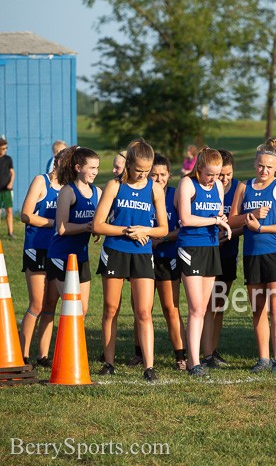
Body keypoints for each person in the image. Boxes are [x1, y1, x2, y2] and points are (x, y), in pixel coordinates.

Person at [93, 139, 168, 382]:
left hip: (142, 254)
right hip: (116, 250)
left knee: (144, 311)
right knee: (111, 309)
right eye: (139, 170)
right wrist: (127, 230)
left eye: (147, 171)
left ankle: (149, 367)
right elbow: (98, 224)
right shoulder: (114, 186)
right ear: (128, 164)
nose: (144, 175)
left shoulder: (155, 189)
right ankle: (109, 363)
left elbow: (164, 229)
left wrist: (146, 231)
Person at [234, 139, 276, 373]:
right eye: (261, 166)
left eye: (269, 167)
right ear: (254, 163)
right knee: (257, 308)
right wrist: (252, 214)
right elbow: (232, 220)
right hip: (252, 253)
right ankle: (263, 358)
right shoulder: (244, 187)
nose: (264, 171)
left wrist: (262, 227)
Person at [176, 148, 232, 376]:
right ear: (199, 169)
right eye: (210, 174)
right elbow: (185, 219)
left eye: (217, 174)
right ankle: (193, 361)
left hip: (211, 248)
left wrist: (222, 222)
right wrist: (214, 219)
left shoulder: (218, 186)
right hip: (190, 247)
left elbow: (217, 215)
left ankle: (196, 360)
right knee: (196, 308)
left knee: (204, 307)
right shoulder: (187, 184)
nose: (215, 179)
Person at [18, 150, 65, 367]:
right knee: (36, 304)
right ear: (57, 163)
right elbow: (26, 214)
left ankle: (43, 356)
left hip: (58, 250)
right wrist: (54, 224)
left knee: (50, 305)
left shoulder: (69, 189)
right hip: (36, 247)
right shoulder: (41, 181)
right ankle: (22, 354)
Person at [45, 146, 101, 318]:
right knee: (72, 308)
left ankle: (74, 345)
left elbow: (99, 222)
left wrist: (98, 230)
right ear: (78, 168)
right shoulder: (67, 191)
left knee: (82, 310)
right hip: (61, 255)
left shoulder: (97, 192)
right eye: (91, 168)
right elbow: (61, 228)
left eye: (97, 168)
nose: (95, 172)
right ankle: (62, 345)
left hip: (81, 257)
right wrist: (88, 226)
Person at [202, 150, 241, 368]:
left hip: (227, 252)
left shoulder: (239, 188)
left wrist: (230, 233)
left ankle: (212, 350)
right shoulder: (206, 186)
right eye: (221, 175)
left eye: (228, 174)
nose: (224, 179)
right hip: (205, 251)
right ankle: (203, 350)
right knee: (203, 305)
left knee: (218, 304)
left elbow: (245, 222)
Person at [149, 154, 187, 370]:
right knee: (141, 309)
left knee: (170, 308)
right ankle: (139, 353)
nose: (158, 178)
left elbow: (184, 226)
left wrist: (161, 238)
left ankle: (181, 355)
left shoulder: (173, 196)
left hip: (167, 257)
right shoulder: (143, 195)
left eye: (162, 174)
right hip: (144, 256)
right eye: (154, 174)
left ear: (169, 175)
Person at [0, 137, 15, 238]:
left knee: (9, 210)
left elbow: (12, 173)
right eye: (3, 148)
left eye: (6, 148)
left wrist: (10, 184)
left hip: (7, 189)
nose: (5, 150)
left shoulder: (8, 159)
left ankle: (10, 232)